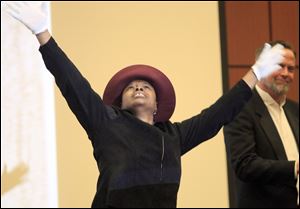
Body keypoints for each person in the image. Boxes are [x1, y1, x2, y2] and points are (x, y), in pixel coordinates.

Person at [5, 2, 287, 208]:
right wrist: (43, 33)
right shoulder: (107, 124)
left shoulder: (174, 136)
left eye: (146, 86)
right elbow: (73, 84)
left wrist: (255, 74)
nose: (138, 87)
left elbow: (217, 114)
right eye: (130, 87)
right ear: (120, 103)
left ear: (157, 104)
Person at [224, 41, 299, 208]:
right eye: (279, 66)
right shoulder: (240, 108)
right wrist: (295, 168)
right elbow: (245, 164)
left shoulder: (295, 110)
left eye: (291, 68)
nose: (286, 73)